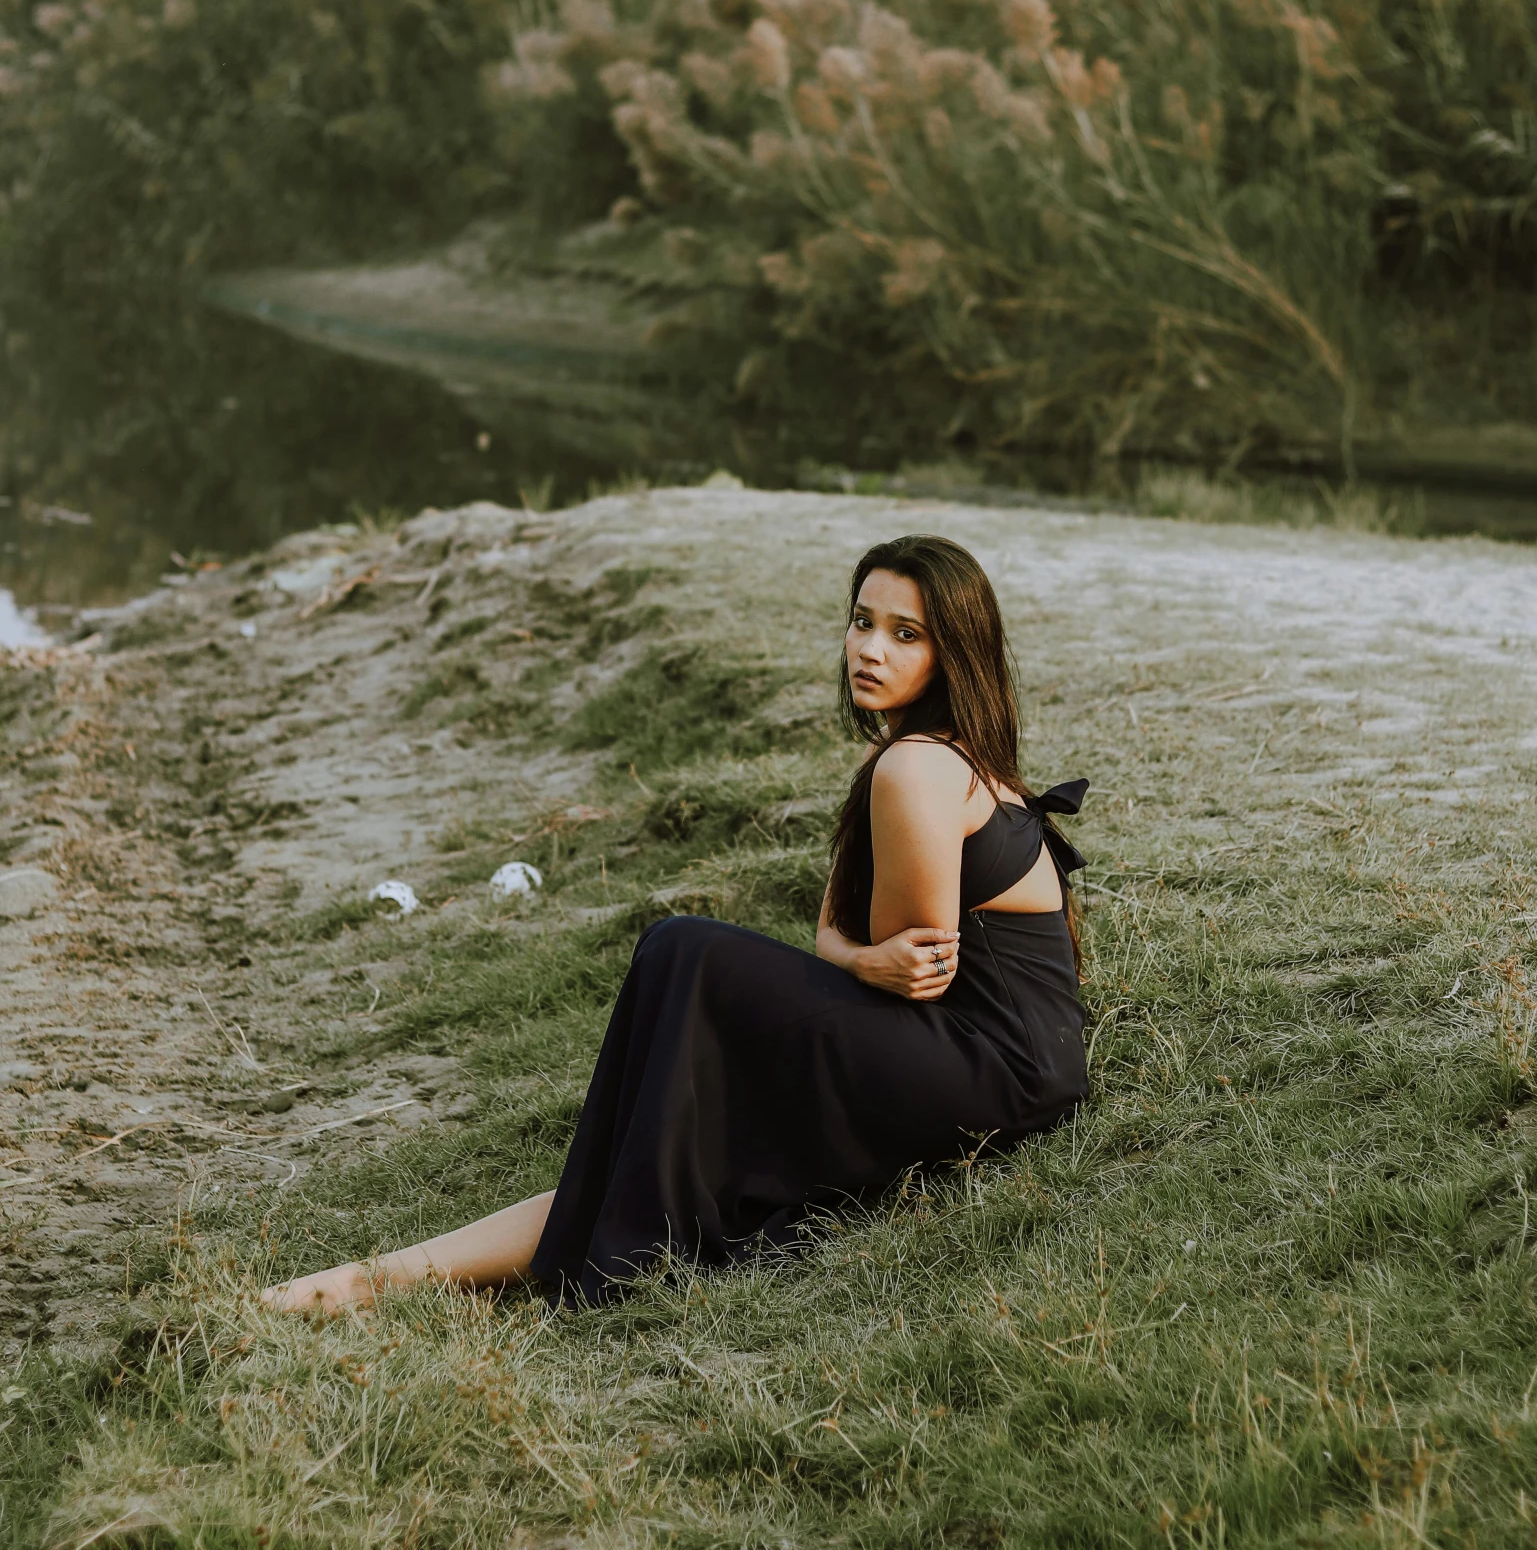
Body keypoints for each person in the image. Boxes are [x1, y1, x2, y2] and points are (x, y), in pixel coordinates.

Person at [264, 534, 1088, 1315]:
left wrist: (863, 967)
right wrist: (858, 963)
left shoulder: (916, 769)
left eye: (906, 634)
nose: (869, 649)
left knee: (684, 952)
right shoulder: (910, 755)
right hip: (1002, 1062)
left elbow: (919, 969)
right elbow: (840, 938)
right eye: (862, 622)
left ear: (953, 653)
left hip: (990, 1071)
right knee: (645, 1151)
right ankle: (361, 1283)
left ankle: (574, 1251)